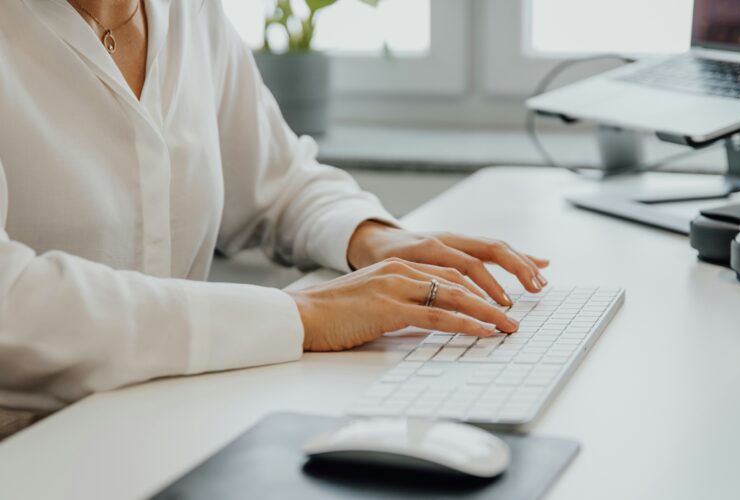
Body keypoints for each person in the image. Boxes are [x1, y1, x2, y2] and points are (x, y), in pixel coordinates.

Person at [0, 0, 548, 431]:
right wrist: (303, 315)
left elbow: (277, 180)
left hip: (164, 422)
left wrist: (371, 238)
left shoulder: (190, 12)